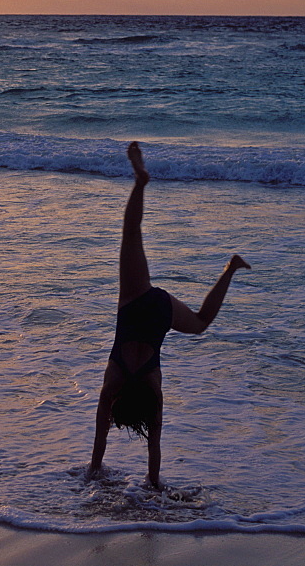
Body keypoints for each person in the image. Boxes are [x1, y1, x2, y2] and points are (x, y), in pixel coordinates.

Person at [88, 142, 249, 488]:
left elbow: (152, 451)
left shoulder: (149, 393)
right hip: (138, 301)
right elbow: (99, 444)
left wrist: (148, 484)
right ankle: (140, 181)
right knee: (131, 234)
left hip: (158, 313)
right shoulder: (112, 386)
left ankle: (231, 268)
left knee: (202, 322)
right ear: (119, 402)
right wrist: (95, 468)